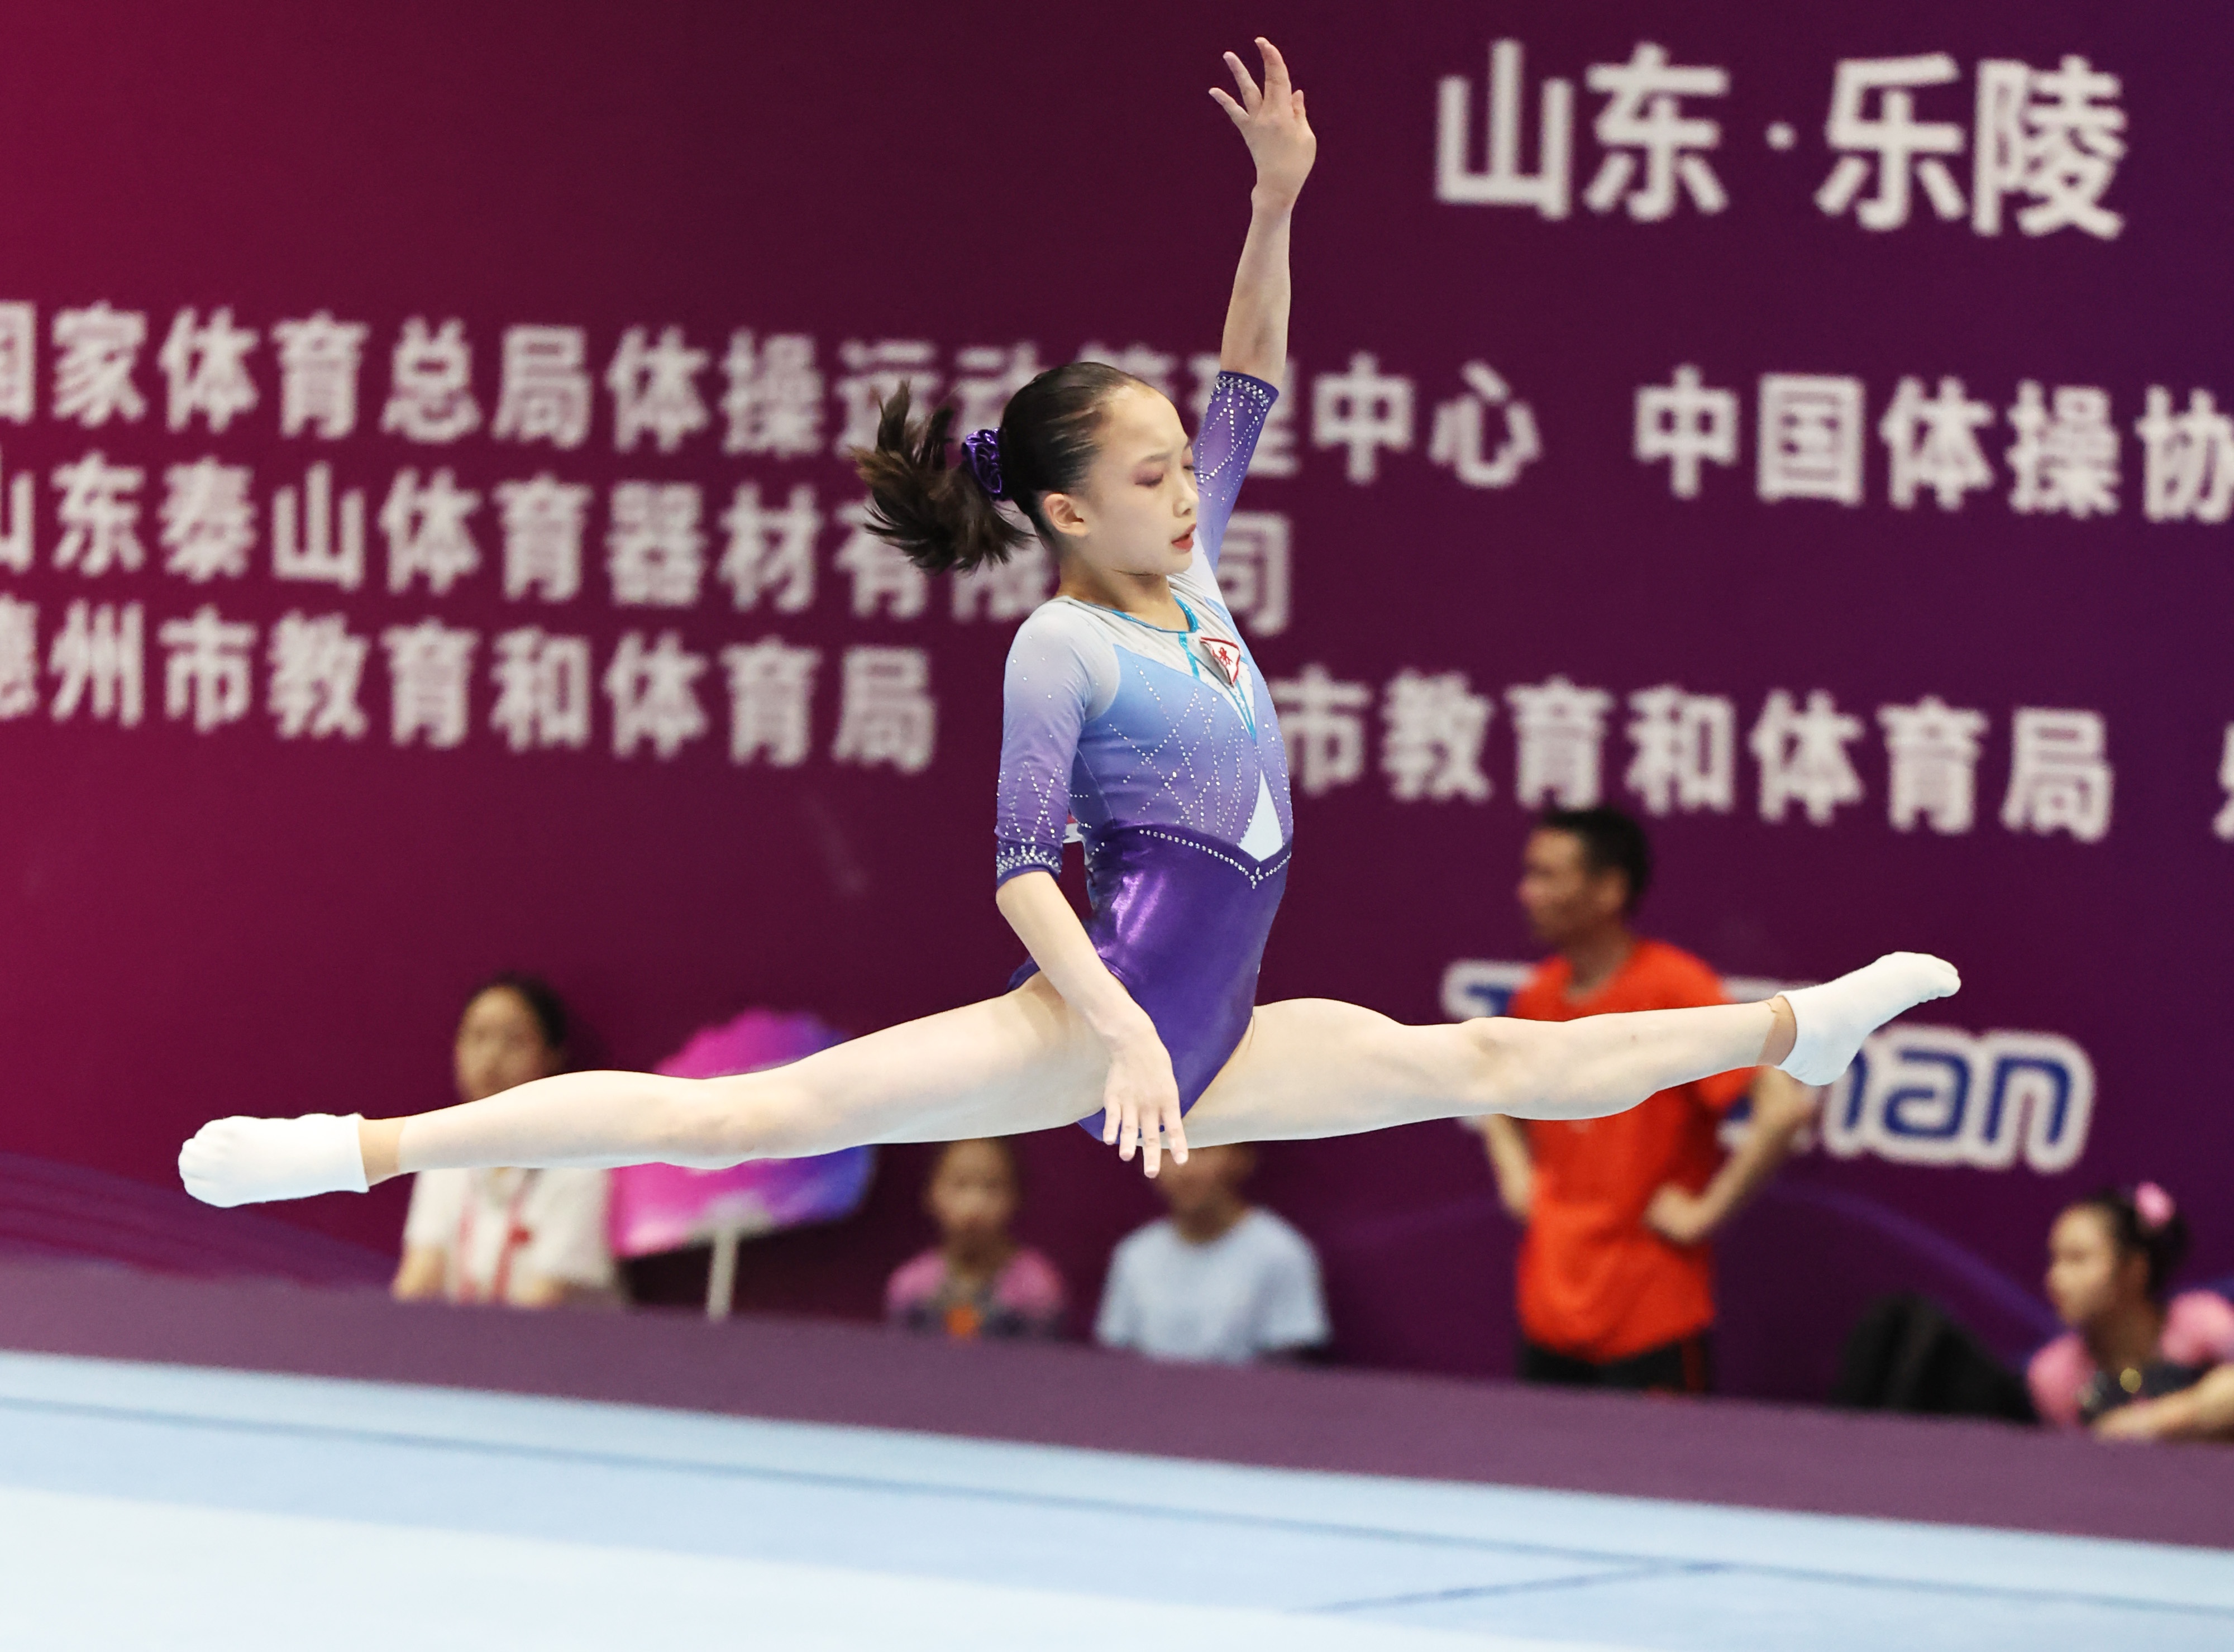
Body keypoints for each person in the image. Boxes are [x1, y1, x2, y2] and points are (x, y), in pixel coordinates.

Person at [179, 41, 1956, 1223]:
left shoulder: (1191, 572)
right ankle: (356, 1147)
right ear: (1063, 511)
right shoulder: (1066, 647)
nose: (1190, 489)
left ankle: (1796, 1028)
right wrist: (1111, 1036)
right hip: (1084, 1017)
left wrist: (1276, 200)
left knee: (1481, 1060)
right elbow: (1026, 875)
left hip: (1223, 1029)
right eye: (1152, 474)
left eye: (1187, 468)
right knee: (738, 1122)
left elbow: (1249, 367)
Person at [1478, 809, 1816, 1393]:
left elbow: (1785, 1106)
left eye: (1547, 875)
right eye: (1528, 873)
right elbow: (1492, 1094)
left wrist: (1707, 1213)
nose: (1526, 893)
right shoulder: (1537, 997)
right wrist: (1517, 1177)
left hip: (1649, 1315)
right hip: (1548, 1311)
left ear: (1609, 889)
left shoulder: (1675, 989)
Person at [391, 975, 620, 1310]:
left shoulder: (580, 1167)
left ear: (552, 1058)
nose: (491, 1057)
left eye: (514, 1041)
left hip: (552, 1341)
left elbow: (546, 1302)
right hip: (469, 1339)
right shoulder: (442, 1159)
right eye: (478, 1037)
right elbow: (418, 1281)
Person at [2030, 1183, 2234, 1440]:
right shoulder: (2053, 1374)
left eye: (2077, 1259)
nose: (2056, 1279)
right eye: (2054, 1260)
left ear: (2134, 1269)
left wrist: (2151, 1422)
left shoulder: (2202, 1321)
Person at [1095, 1143, 1326, 1363]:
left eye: (1202, 1150)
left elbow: (1288, 1363)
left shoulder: (1281, 1254)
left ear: (1241, 1159)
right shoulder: (1135, 1254)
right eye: (1168, 1152)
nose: (1185, 1170)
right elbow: (1118, 1354)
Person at [886, 1138, 1066, 1340]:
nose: (974, 1205)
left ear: (1017, 1195)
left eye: (992, 1187)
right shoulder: (911, 1286)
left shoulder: (1036, 1289)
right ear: (930, 1191)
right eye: (961, 1184)